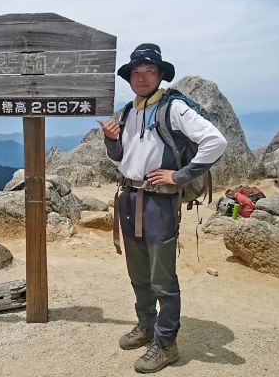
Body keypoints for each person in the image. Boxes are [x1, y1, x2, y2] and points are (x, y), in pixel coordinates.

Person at [97, 43, 227, 373]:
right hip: (128, 198)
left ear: (159, 75)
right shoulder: (129, 111)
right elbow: (121, 159)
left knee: (162, 278)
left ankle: (167, 343)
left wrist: (180, 175)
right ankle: (145, 326)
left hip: (159, 202)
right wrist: (112, 140)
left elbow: (216, 141)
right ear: (130, 78)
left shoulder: (174, 109)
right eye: (136, 73)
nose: (141, 78)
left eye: (148, 72)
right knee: (138, 273)